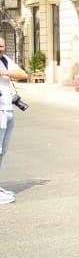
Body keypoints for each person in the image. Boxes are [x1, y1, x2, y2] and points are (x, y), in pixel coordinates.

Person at [0, 38, 28, 203]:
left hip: (7, 109)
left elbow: (23, 74)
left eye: (2, 46)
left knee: (2, 151)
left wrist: (4, 72)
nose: (1, 48)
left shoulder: (4, 60)